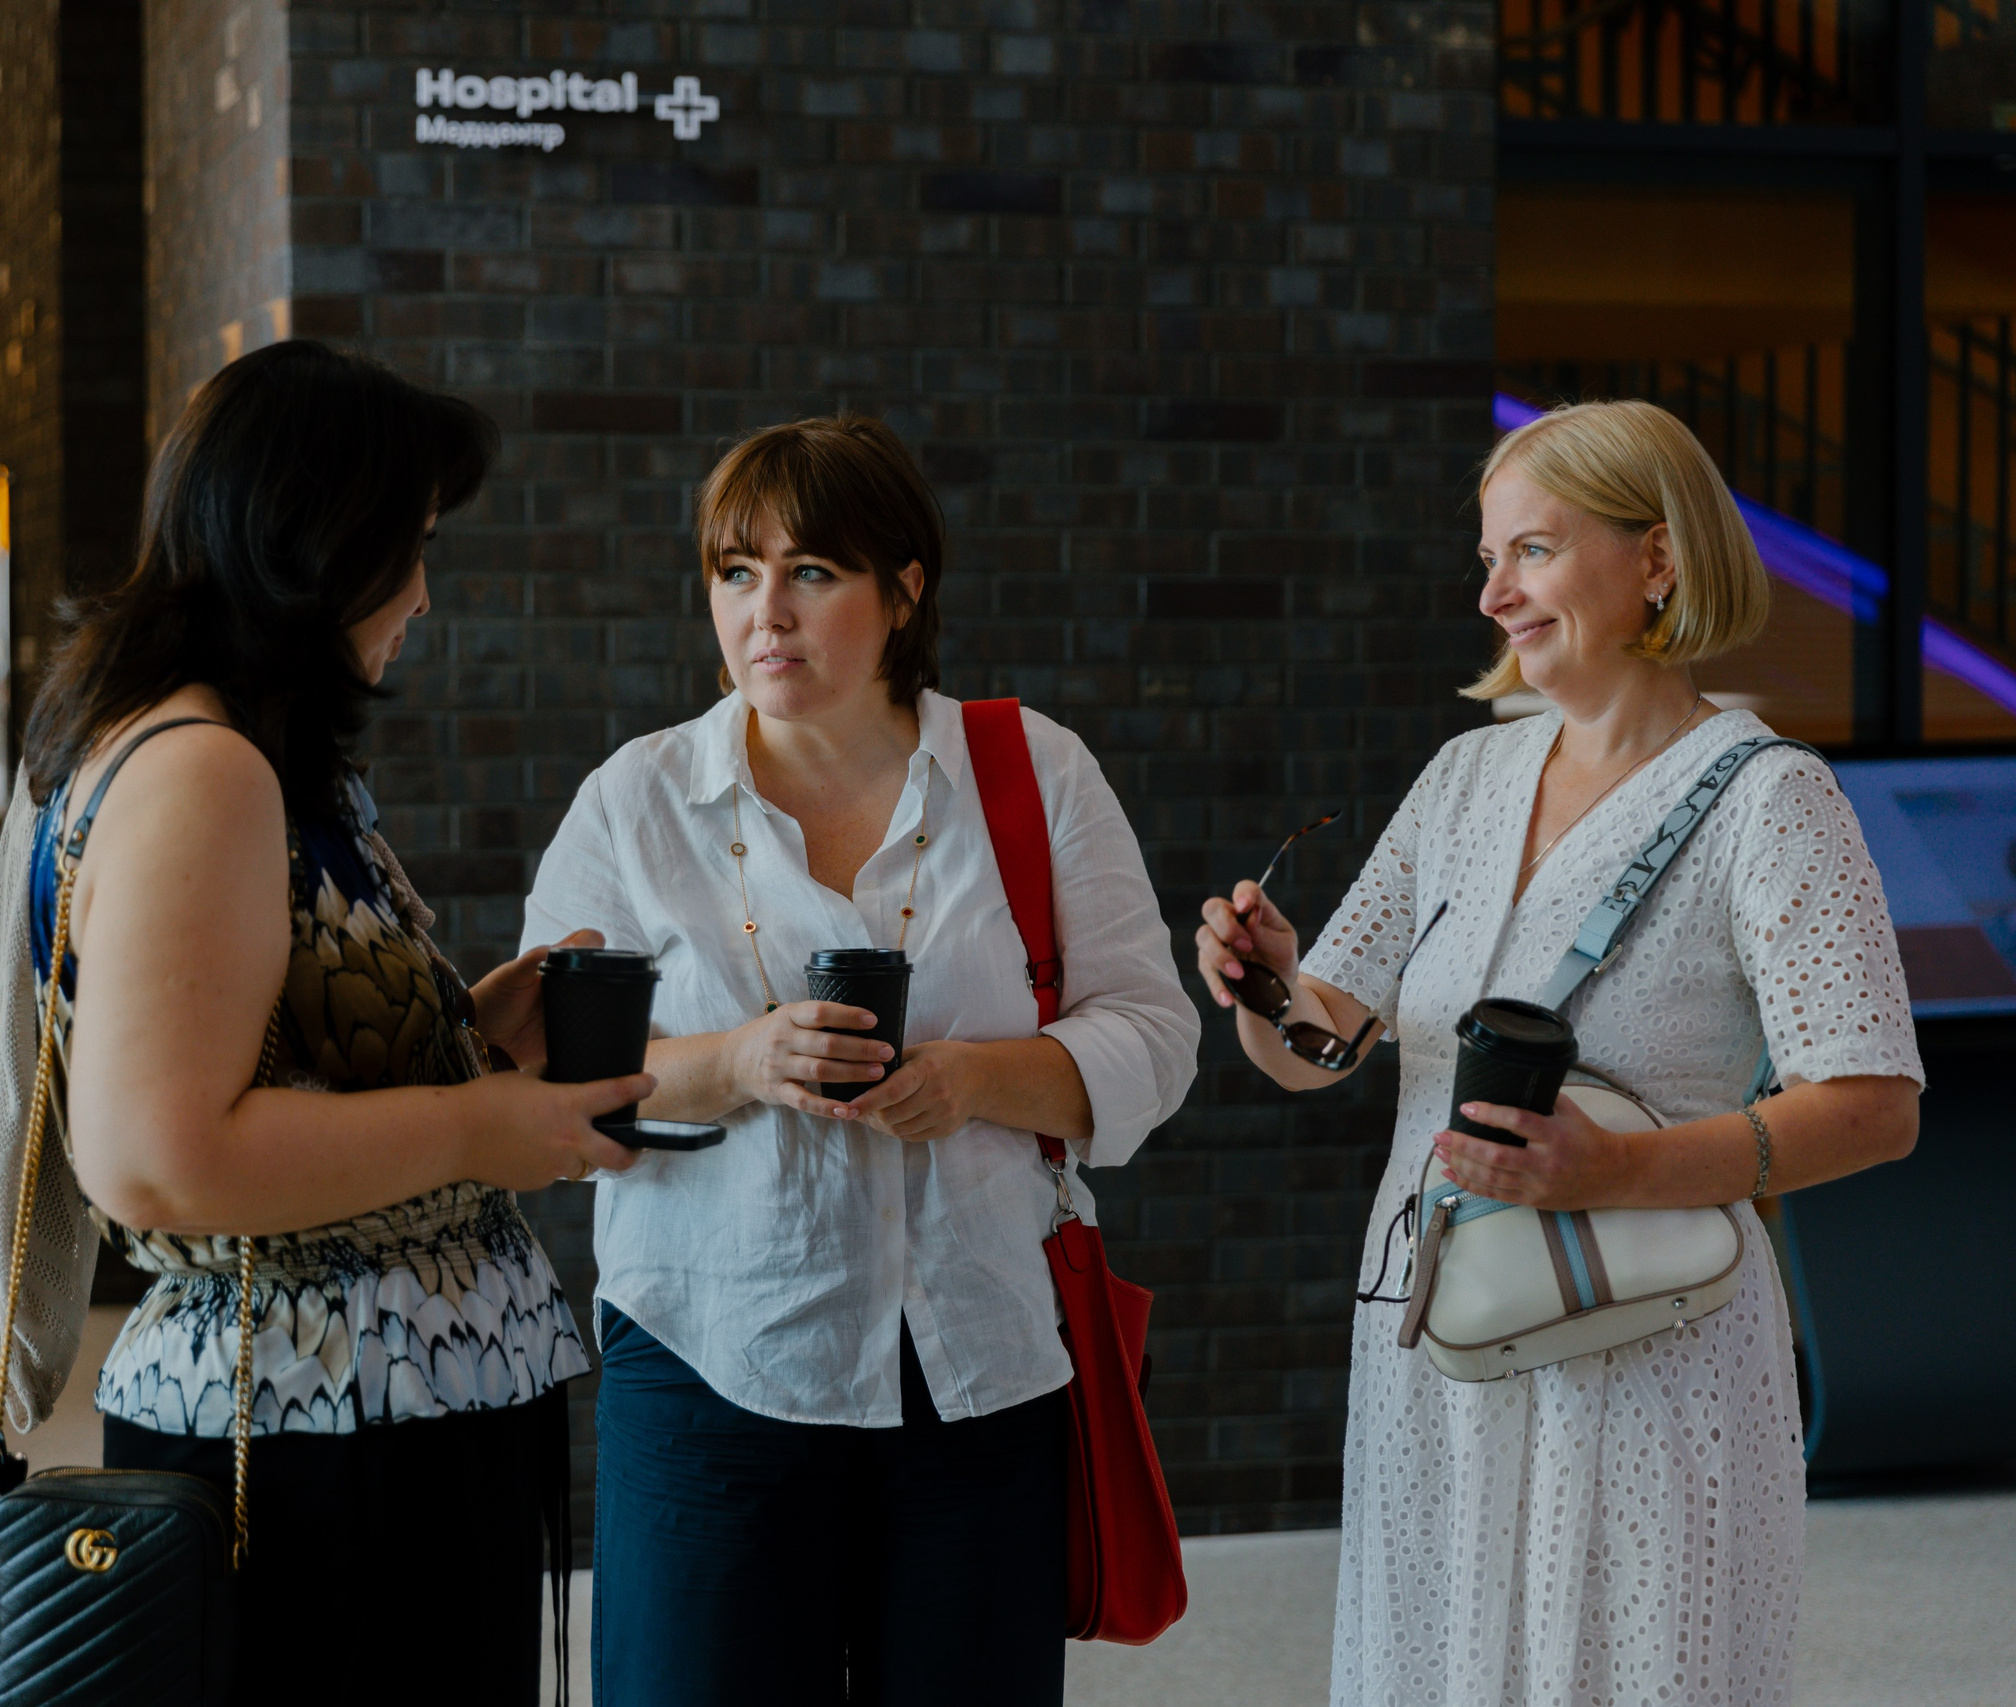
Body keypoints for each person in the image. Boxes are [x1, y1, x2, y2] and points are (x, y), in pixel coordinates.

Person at [1192, 399, 1923, 1706]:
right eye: (1490, 559)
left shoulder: (1773, 799)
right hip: (1442, 1338)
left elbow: (1873, 1106)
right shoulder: (1464, 779)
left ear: (1658, 559)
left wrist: (1617, 1173)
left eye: (1531, 551)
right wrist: (1265, 987)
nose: (1494, 594)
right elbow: (1326, 1044)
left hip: (1651, 1353)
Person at [0, 339, 648, 1700]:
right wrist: (479, 1126)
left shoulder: (212, 743)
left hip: (356, 1423)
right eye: (411, 544)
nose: (421, 593)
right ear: (319, 543)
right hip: (318, 1442)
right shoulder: (204, 767)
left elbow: (255, 1055)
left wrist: (467, 1028)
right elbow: (160, 1153)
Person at [523, 416, 1202, 1705]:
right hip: (711, 1352)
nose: (765, 612)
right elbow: (556, 1086)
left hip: (980, 1368)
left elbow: (1154, 1034)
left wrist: (973, 1081)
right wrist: (739, 1062)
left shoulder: (1031, 771)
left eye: (812, 572)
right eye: (736, 573)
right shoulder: (635, 800)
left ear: (905, 591)